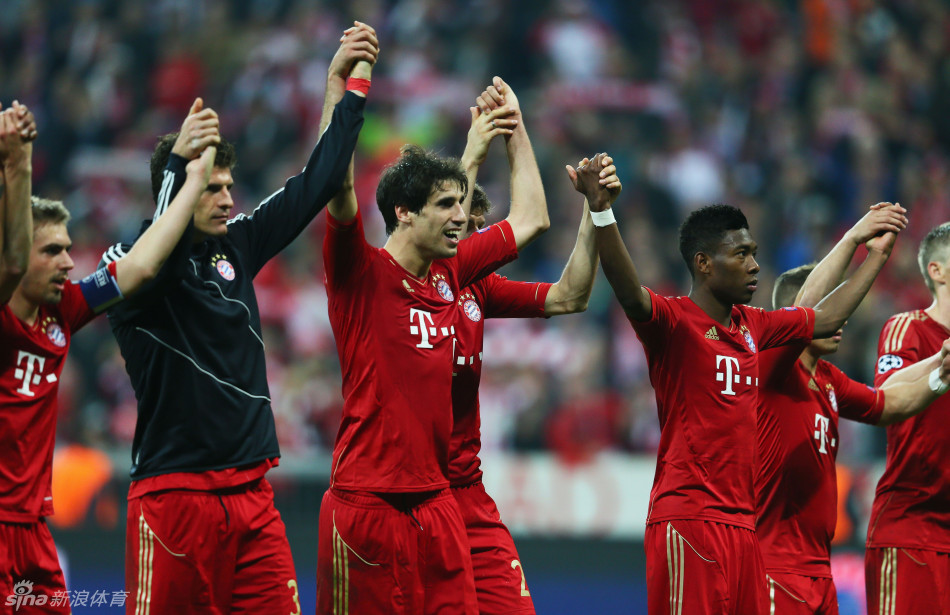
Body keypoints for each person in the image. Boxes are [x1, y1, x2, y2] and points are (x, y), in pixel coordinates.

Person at [101, 23, 377, 614]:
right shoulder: (132, 266)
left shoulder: (237, 246)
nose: (228, 198)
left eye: (228, 185)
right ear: (178, 194)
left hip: (252, 496)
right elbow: (157, 256)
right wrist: (179, 168)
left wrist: (346, 89)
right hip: (175, 498)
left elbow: (316, 183)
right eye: (212, 188)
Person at [581, 166, 900, 613]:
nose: (754, 265)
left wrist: (877, 257)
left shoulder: (754, 326)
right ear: (704, 264)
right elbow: (630, 292)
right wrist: (601, 213)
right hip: (689, 519)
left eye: (753, 252)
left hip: (744, 527)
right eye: (740, 254)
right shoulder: (673, 322)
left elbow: (823, 318)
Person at [316, 76, 551, 612]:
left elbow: (532, 218)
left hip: (437, 503)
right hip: (366, 503)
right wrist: (345, 89)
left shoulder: (451, 273)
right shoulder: (360, 273)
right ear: (403, 212)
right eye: (445, 206)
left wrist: (513, 128)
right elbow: (336, 182)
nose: (461, 218)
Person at [0, 100, 216, 612]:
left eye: (69, 248)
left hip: (32, 529)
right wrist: (19, 163)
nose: (68, 261)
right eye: (51, 250)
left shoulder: (64, 312)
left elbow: (139, 267)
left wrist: (190, 180)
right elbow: (9, 259)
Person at [448, 79, 620, 614]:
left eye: (480, 224)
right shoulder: (393, 279)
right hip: (401, 493)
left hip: (466, 493)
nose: (480, 237)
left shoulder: (477, 287)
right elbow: (530, 220)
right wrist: (497, 136)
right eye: (468, 225)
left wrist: (596, 213)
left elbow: (570, 296)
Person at [755, 205, 950, 614]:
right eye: (830, 310)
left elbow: (886, 404)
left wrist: (939, 373)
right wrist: (857, 242)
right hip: (774, 565)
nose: (840, 320)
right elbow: (809, 307)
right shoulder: (773, 371)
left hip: (818, 570)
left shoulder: (828, 380)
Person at [867, 221, 950, 614]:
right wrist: (941, 361)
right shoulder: (908, 328)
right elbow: (884, 392)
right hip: (911, 526)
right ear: (938, 270)